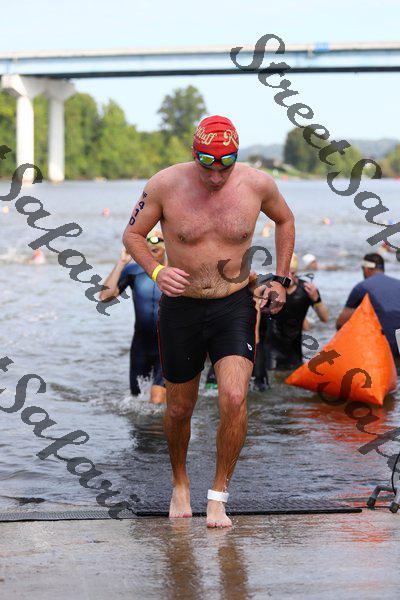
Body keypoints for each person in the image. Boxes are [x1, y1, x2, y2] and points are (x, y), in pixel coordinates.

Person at [122, 115, 295, 528]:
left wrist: (282, 279)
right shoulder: (164, 184)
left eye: (225, 166)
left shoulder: (258, 184)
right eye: (207, 165)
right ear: (194, 154)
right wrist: (157, 271)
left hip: (233, 304)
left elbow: (285, 220)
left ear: (236, 156)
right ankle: (180, 482)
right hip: (181, 307)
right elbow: (131, 235)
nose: (216, 176)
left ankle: (218, 494)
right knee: (179, 407)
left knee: (234, 397)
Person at [100, 233, 167, 404]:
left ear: (167, 245)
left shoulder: (176, 271)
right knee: (136, 401)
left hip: (168, 345)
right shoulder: (134, 271)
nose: (153, 244)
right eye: (148, 241)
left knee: (157, 397)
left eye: (158, 240)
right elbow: (105, 297)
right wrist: (122, 263)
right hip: (141, 345)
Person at [263, 254, 329, 371]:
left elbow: (325, 318)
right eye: (285, 273)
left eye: (292, 273)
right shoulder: (271, 288)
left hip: (295, 350)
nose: (289, 277)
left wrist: (316, 299)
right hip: (271, 350)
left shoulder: (307, 290)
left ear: (297, 272)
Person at [336, 253, 400, 357]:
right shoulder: (398, 283)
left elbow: (341, 324)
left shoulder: (362, 287)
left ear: (365, 269)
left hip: (385, 348)